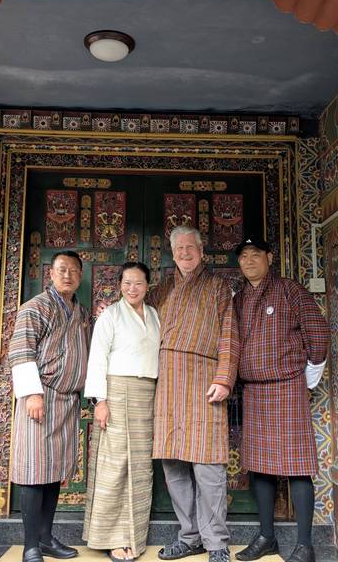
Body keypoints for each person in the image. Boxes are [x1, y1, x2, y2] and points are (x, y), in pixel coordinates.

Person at [232, 237, 329, 562]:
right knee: (259, 468)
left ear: (269, 257)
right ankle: (266, 537)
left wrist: (311, 373)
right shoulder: (239, 298)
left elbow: (318, 331)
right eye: (243, 256)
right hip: (253, 390)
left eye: (255, 255)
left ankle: (305, 545)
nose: (249, 261)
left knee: (298, 468)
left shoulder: (289, 290)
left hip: (287, 387)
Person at [147, 225, 240, 562]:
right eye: (179, 248)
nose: (185, 253)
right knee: (173, 464)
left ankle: (216, 542)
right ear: (172, 254)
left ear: (202, 250)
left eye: (191, 247)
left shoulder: (218, 288)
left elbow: (230, 336)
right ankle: (189, 536)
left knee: (209, 467)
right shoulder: (160, 291)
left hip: (205, 381)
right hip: (168, 382)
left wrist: (225, 378)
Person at [9, 250, 90, 562]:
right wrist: (32, 394)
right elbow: (21, 350)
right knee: (33, 470)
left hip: (67, 401)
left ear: (80, 276)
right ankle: (30, 545)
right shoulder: (36, 308)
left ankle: (45, 537)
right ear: (50, 274)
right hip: (40, 398)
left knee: (53, 470)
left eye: (73, 270)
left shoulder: (78, 312)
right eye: (61, 269)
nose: (67, 275)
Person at [83, 261, 160, 562]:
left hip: (146, 395)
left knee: (140, 468)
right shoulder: (110, 316)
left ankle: (133, 535)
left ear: (147, 285)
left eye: (138, 283)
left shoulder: (154, 315)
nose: (132, 288)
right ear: (120, 285)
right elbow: (97, 358)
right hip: (115, 393)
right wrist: (100, 400)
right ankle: (112, 537)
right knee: (115, 466)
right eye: (127, 282)